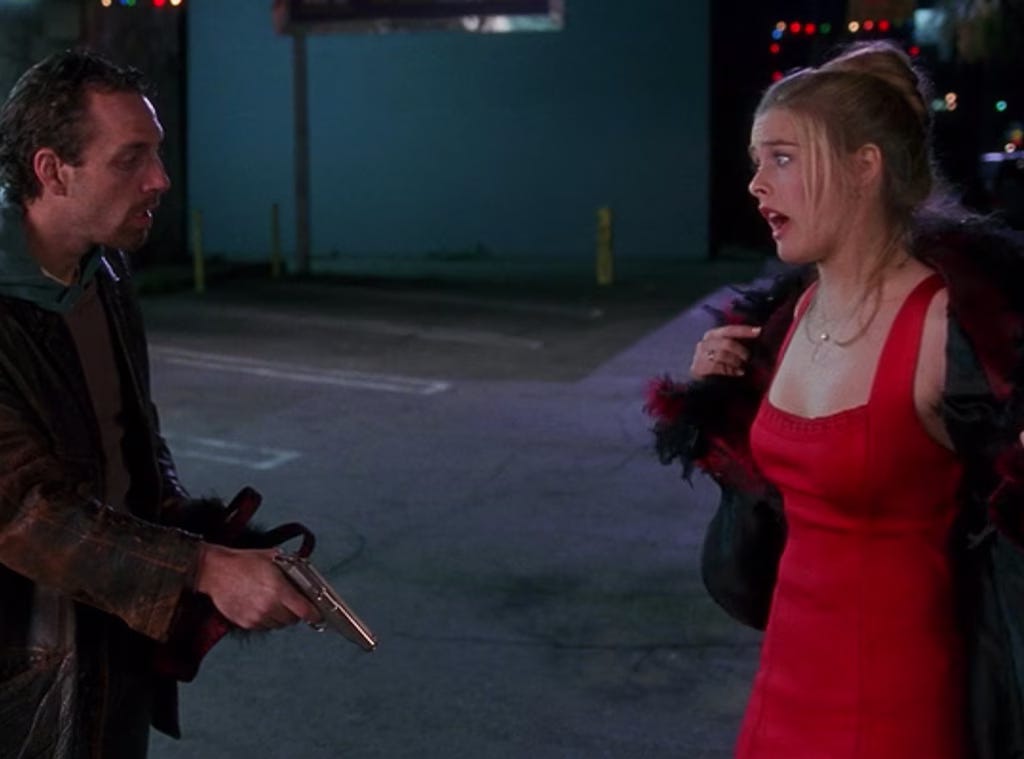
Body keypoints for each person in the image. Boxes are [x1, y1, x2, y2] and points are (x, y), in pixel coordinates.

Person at [646, 41, 1024, 758]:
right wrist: (723, 404)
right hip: (781, 689)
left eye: (783, 158)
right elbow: (769, 511)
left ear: (863, 167)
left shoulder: (951, 330)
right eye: (757, 160)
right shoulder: (786, 322)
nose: (757, 184)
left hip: (894, 710)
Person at [0, 49, 318, 757]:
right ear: (52, 170)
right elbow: (23, 512)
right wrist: (201, 568)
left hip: (115, 645)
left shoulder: (105, 269)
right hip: (24, 671)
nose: (160, 179)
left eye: (158, 152)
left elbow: (133, 432)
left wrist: (197, 527)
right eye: (130, 159)